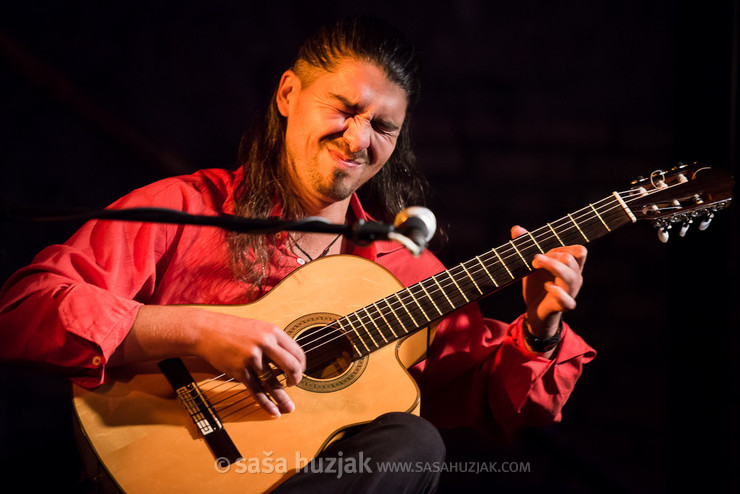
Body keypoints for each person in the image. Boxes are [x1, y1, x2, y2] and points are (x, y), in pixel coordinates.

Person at [0, 16, 595, 492]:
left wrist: (542, 329)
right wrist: (194, 330)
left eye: (384, 127)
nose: (360, 139)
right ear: (289, 93)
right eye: (345, 108)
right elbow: (25, 310)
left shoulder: (403, 272)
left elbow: (503, 399)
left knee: (415, 442)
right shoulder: (186, 206)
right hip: (157, 470)